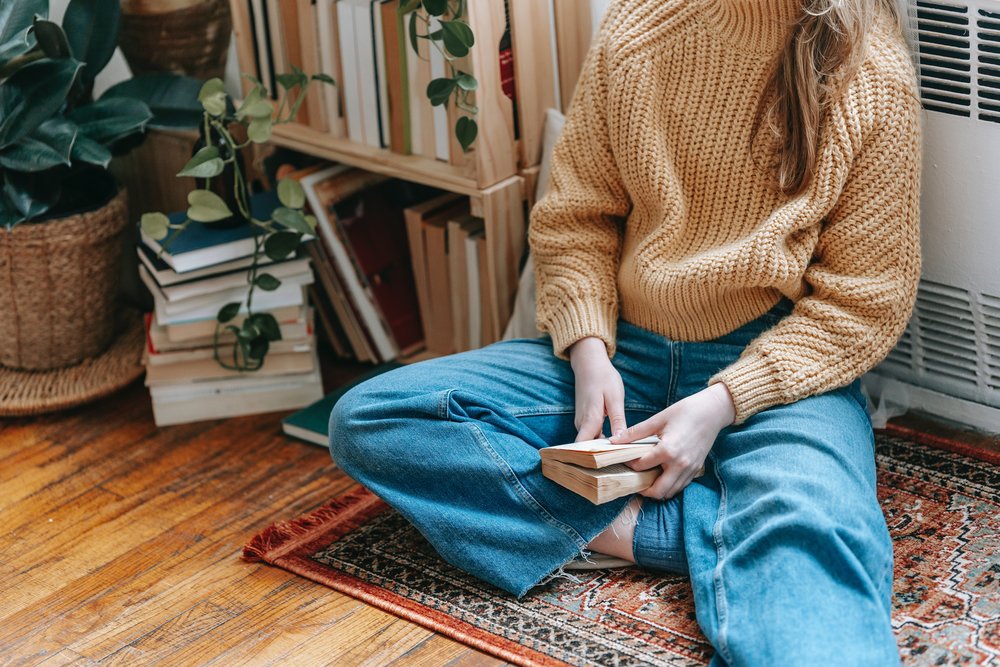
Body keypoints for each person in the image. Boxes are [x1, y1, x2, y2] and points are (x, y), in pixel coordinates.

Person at [329, 0, 922, 663]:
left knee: (816, 541)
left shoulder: (870, 68)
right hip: (624, 351)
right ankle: (676, 530)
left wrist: (723, 402)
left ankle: (704, 525)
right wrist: (588, 351)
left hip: (777, 373)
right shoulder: (641, 25)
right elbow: (577, 218)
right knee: (373, 419)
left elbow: (865, 302)